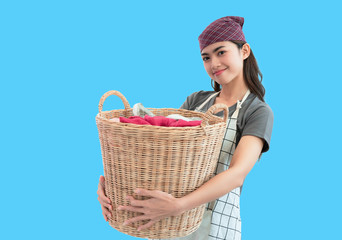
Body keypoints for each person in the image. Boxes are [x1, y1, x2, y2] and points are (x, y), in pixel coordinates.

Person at [97, 16, 274, 240]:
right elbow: (161, 152)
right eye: (206, 57)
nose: (214, 64)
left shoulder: (256, 111)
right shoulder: (196, 102)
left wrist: (179, 205)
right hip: (171, 221)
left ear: (245, 51)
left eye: (221, 52)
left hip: (215, 222)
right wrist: (113, 188)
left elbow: (237, 174)